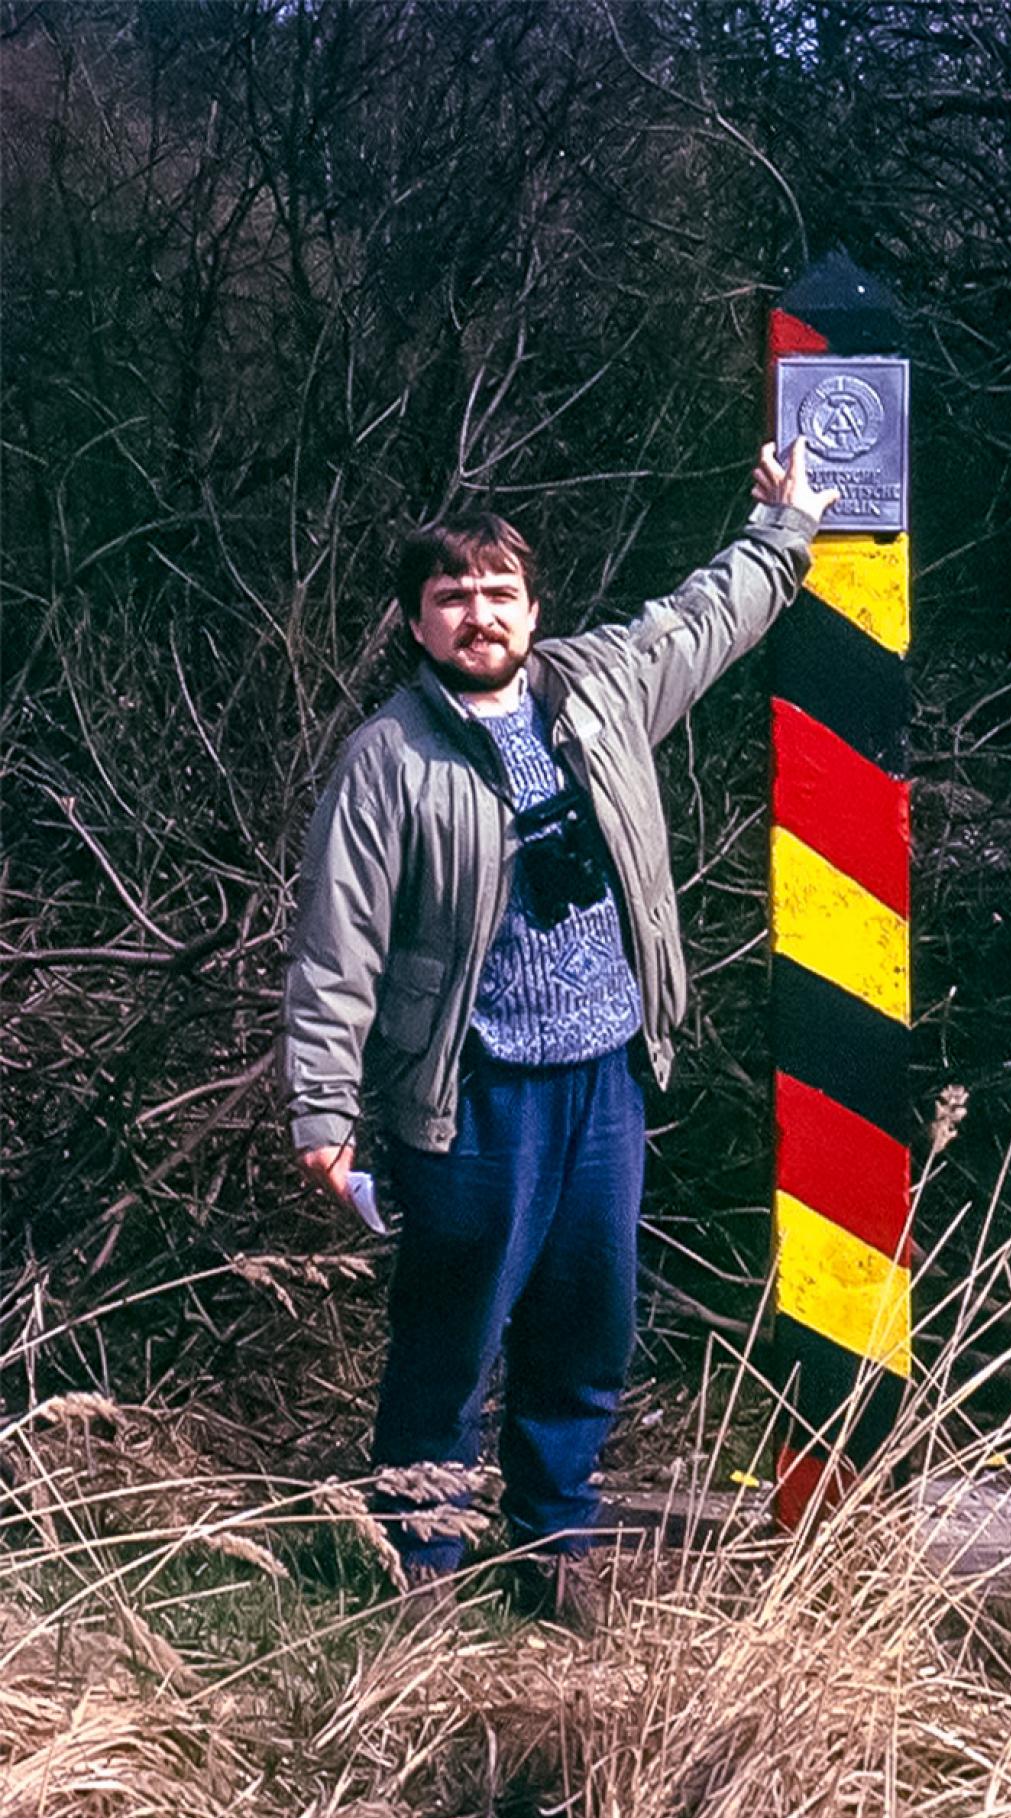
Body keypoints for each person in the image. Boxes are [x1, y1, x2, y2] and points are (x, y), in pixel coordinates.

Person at [285, 441, 837, 1626]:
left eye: (497, 593)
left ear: (533, 607)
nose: (477, 614)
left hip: (605, 1078)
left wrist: (784, 529)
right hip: (473, 1093)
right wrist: (323, 1110)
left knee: (588, 1324)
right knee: (452, 1330)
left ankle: (553, 1549)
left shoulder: (599, 687)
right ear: (415, 623)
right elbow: (338, 948)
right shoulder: (390, 759)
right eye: (451, 597)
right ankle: (421, 1567)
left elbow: (705, 617)